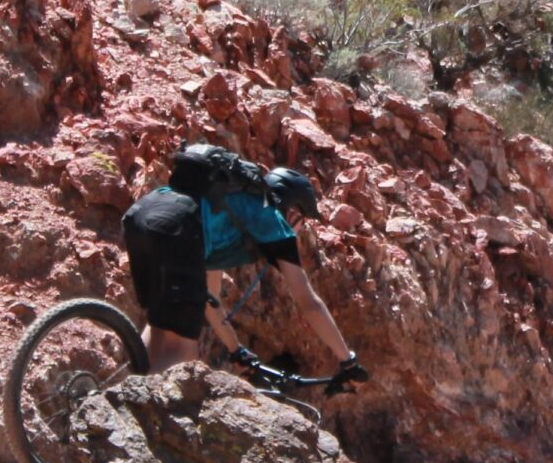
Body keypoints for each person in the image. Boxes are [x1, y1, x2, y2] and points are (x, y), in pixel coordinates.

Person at [121, 142, 368, 391]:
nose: (300, 227)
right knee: (181, 348)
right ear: (292, 209)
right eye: (302, 219)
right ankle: (149, 413)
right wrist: (348, 360)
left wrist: (236, 350)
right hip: (178, 226)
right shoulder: (273, 221)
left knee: (159, 325)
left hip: (143, 213)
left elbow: (210, 298)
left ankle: (118, 397)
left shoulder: (231, 204)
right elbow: (309, 302)